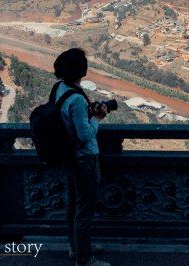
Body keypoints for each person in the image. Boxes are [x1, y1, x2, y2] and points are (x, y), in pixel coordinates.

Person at [53, 48, 110, 266]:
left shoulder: (60, 88)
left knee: (73, 204)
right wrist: (98, 118)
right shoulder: (76, 99)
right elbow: (85, 135)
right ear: (82, 70)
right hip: (84, 158)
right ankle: (84, 260)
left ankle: (75, 247)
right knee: (85, 210)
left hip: (69, 156)